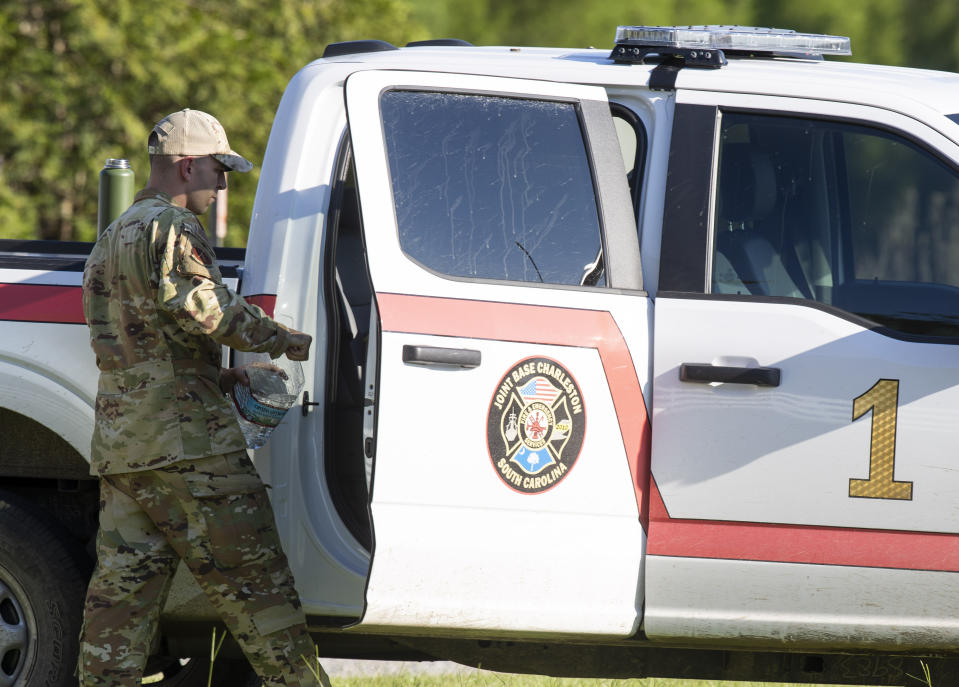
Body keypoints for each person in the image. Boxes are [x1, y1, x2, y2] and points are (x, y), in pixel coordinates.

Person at [78, 109, 331, 686]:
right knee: (262, 593)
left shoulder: (112, 237)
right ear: (187, 164)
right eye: (219, 170)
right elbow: (207, 309)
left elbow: (130, 343)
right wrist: (283, 338)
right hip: (189, 448)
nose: (222, 185)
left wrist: (218, 377)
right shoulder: (173, 228)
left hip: (125, 449)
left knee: (117, 614)